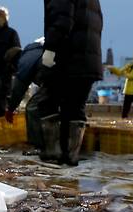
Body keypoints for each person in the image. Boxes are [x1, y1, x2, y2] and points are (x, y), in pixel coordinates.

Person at [41, 0, 103, 166]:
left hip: (67, 58)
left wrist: (50, 48)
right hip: (88, 59)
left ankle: (54, 153)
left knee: (50, 103)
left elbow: (62, 20)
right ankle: (71, 156)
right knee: (75, 108)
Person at [5, 42, 55, 152]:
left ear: (13, 62)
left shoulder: (24, 62)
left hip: (53, 82)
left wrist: (10, 109)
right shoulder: (34, 52)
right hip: (68, 78)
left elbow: (18, 90)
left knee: (32, 108)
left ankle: (37, 145)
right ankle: (56, 144)